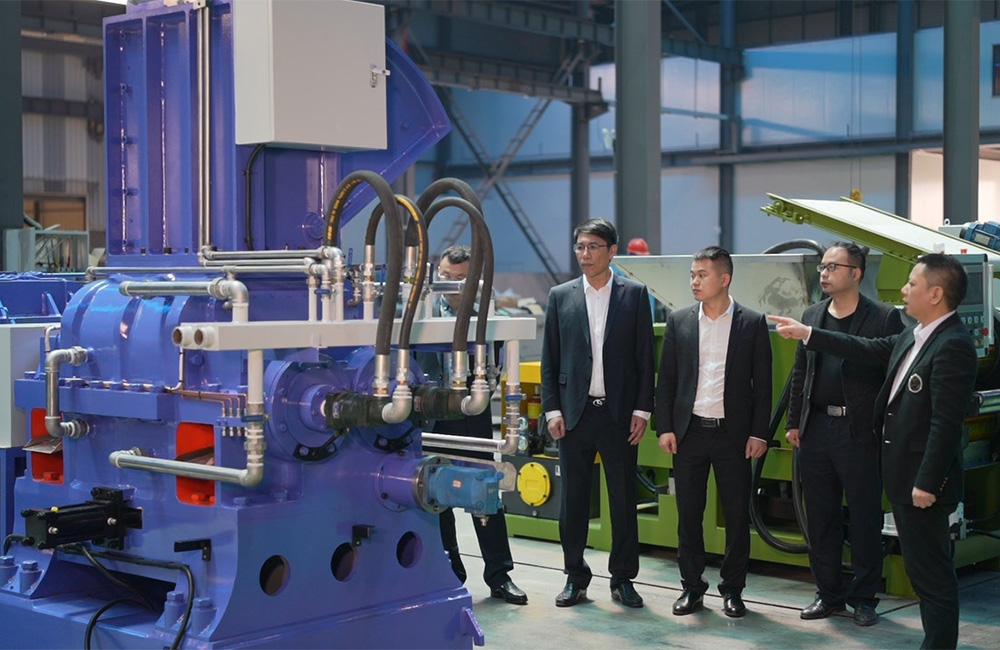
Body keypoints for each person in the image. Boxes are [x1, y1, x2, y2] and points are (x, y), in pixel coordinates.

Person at [771, 253, 978, 649]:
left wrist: (927, 482)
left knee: (932, 577)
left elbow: (946, 425)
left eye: (912, 284)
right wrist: (809, 333)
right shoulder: (915, 336)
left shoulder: (952, 345)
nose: (904, 290)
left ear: (936, 294)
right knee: (923, 574)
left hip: (920, 484)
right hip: (901, 475)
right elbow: (864, 348)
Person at [787, 242, 905, 626]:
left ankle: (864, 598)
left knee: (864, 516)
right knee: (821, 517)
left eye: (833, 267)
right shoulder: (812, 314)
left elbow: (884, 364)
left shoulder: (884, 317)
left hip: (859, 431)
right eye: (822, 266)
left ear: (856, 273)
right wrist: (794, 422)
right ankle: (828, 594)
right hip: (817, 428)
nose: (824, 273)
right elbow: (802, 373)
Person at [540, 218, 655, 609]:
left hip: (619, 415)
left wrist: (642, 409)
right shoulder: (561, 296)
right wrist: (552, 409)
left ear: (612, 251)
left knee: (623, 500)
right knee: (573, 502)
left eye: (593, 247)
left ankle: (623, 579)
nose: (585, 254)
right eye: (580, 247)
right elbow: (550, 359)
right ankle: (575, 577)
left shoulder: (634, 295)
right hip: (574, 415)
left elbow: (645, 357)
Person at [655, 246, 772, 618]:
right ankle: (692, 588)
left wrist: (759, 433)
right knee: (689, 516)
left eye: (702, 275)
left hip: (733, 436)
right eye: (692, 275)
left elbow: (763, 385)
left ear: (724, 278)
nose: (694, 281)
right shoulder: (680, 321)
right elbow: (667, 380)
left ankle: (733, 591)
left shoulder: (751, 323)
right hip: (689, 433)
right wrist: (665, 427)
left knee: (737, 517)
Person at [418, 245, 528, 606]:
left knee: (485, 492)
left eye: (461, 279)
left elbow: (497, 365)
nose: (452, 286)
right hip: (431, 416)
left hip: (472, 416)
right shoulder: (419, 312)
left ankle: (499, 575)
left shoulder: (488, 317)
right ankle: (450, 572)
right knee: (436, 495)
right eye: (446, 277)